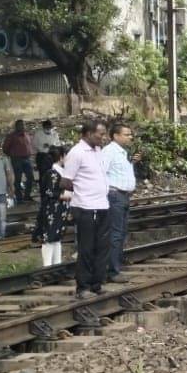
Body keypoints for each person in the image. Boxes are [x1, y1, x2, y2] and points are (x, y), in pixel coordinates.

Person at [59, 119, 110, 298]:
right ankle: (83, 287)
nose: (104, 137)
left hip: (102, 205)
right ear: (88, 134)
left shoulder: (98, 151)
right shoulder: (77, 152)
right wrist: (82, 190)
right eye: (101, 134)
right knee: (87, 248)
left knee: (102, 247)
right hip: (85, 207)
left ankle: (97, 283)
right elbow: (65, 180)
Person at [101, 123, 138, 283]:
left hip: (123, 196)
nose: (130, 137)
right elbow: (100, 172)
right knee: (115, 234)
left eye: (130, 134)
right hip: (114, 195)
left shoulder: (123, 153)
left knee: (121, 233)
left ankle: (115, 267)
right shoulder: (109, 151)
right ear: (115, 136)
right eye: (126, 134)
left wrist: (133, 163)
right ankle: (112, 271)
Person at [35, 146, 67, 266]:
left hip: (60, 208)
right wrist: (65, 196)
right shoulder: (53, 173)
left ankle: (57, 264)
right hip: (53, 209)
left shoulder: (60, 171)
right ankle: (47, 265)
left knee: (57, 237)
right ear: (61, 157)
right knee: (50, 236)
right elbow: (50, 192)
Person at [4, 120, 34, 202]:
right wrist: (13, 155)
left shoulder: (26, 135)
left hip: (27, 159)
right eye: (21, 125)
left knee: (30, 177)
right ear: (16, 126)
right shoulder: (11, 136)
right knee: (18, 179)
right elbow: (5, 148)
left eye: (24, 125)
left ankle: (27, 196)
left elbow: (29, 146)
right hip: (17, 159)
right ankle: (19, 198)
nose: (23, 126)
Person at [32, 120, 60, 193]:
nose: (48, 129)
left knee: (53, 173)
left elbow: (58, 144)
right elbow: (34, 144)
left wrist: (51, 146)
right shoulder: (38, 134)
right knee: (43, 174)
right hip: (42, 155)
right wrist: (42, 146)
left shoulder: (55, 134)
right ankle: (43, 190)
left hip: (52, 156)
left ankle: (52, 189)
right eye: (46, 127)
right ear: (43, 127)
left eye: (49, 127)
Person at [0, 141, 13, 239]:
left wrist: (11, 188)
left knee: (1, 216)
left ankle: (0, 235)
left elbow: (8, 174)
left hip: (1, 193)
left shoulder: (4, 159)